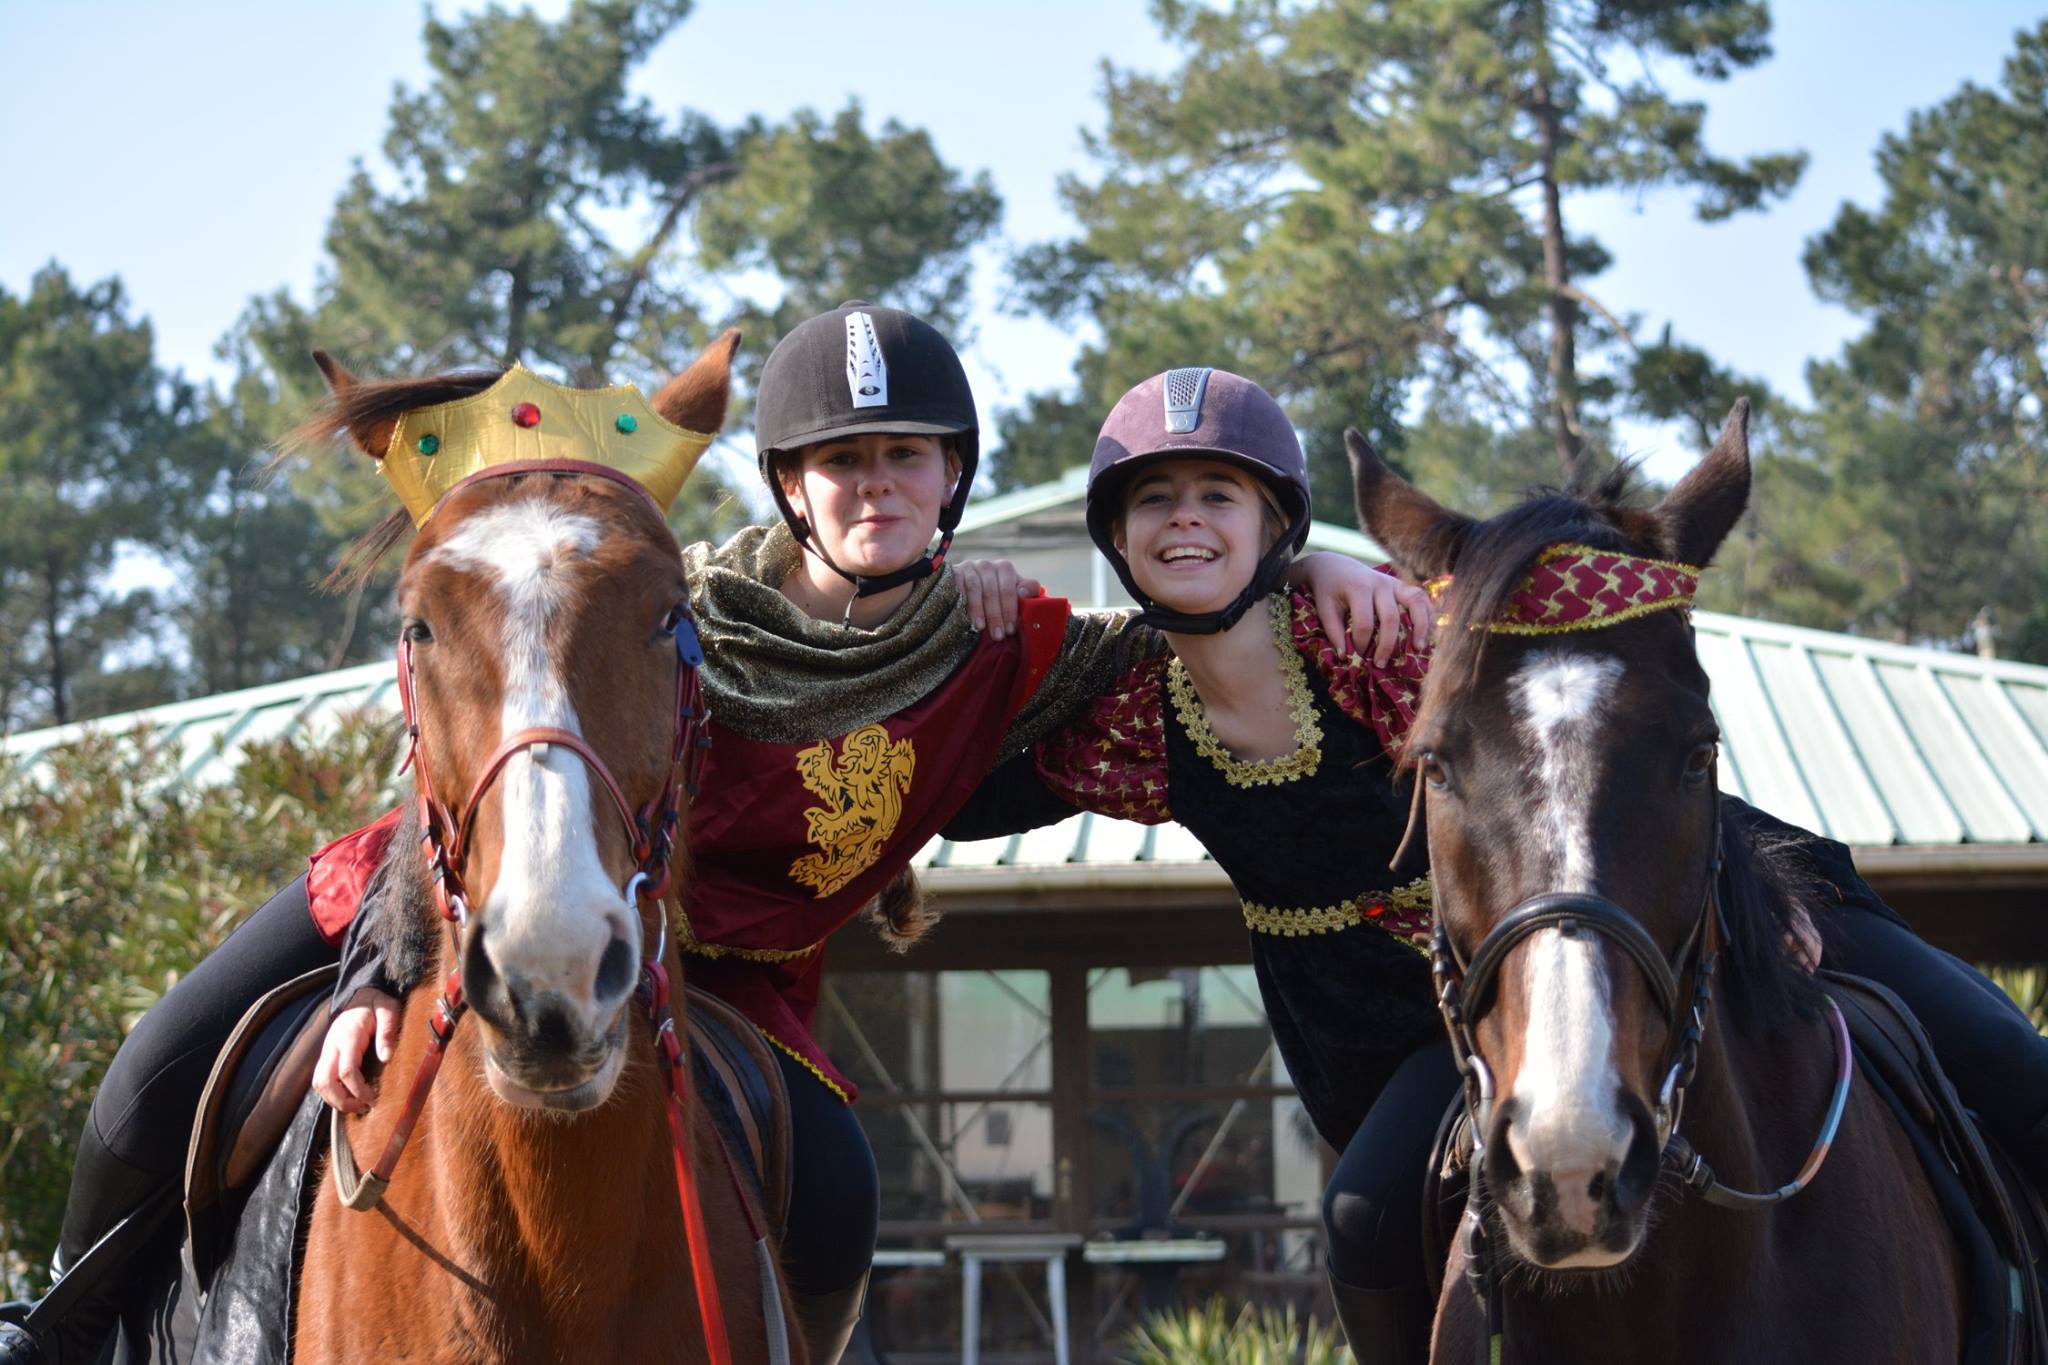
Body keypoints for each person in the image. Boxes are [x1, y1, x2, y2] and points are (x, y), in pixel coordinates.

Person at [0, 311, 1418, 1365]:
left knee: (843, 1191)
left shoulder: (1010, 646)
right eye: (841, 459)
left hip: (728, 979)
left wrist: (1325, 563)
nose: (876, 486)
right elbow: (477, 726)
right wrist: (381, 972)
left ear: (953, 479)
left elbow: (1198, 632)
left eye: (905, 458)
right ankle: (51, 1342)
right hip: (439, 885)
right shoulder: (675, 614)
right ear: (790, 484)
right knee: (147, 1077)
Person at [939, 367, 2048, 1364]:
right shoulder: (1133, 714)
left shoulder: (1380, 640)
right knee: (1364, 1221)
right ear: (1117, 538)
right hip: (1386, 1019)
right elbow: (955, 785)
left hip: (1582, 920)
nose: (1184, 520)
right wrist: (949, 613)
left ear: (1276, 523)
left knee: (2016, 1073)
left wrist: (1740, 873)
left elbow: (1577, 749)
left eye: (1217, 495)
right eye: (1153, 500)